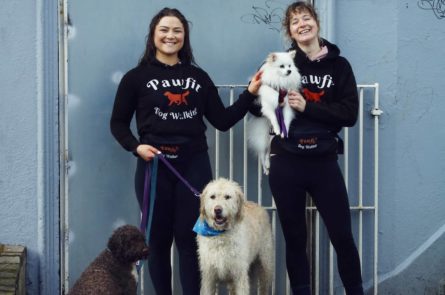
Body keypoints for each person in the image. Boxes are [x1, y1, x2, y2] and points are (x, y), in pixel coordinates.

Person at [109, 7, 260, 295]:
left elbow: (222, 121)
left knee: (191, 241)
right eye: (164, 29)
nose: (171, 35)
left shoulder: (198, 77)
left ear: (185, 37)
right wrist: (136, 146)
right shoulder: (135, 78)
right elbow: (117, 123)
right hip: (155, 167)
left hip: (193, 166)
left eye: (177, 30)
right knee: (157, 242)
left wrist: (249, 94)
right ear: (153, 35)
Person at [251, 1, 364, 294]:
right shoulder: (281, 61)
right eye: (294, 22)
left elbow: (349, 114)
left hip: (323, 161)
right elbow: (257, 108)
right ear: (289, 31)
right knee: (294, 237)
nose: (302, 24)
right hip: (287, 161)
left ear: (316, 21)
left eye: (306, 18)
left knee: (342, 235)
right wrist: (256, 92)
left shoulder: (339, 66)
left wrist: (307, 106)